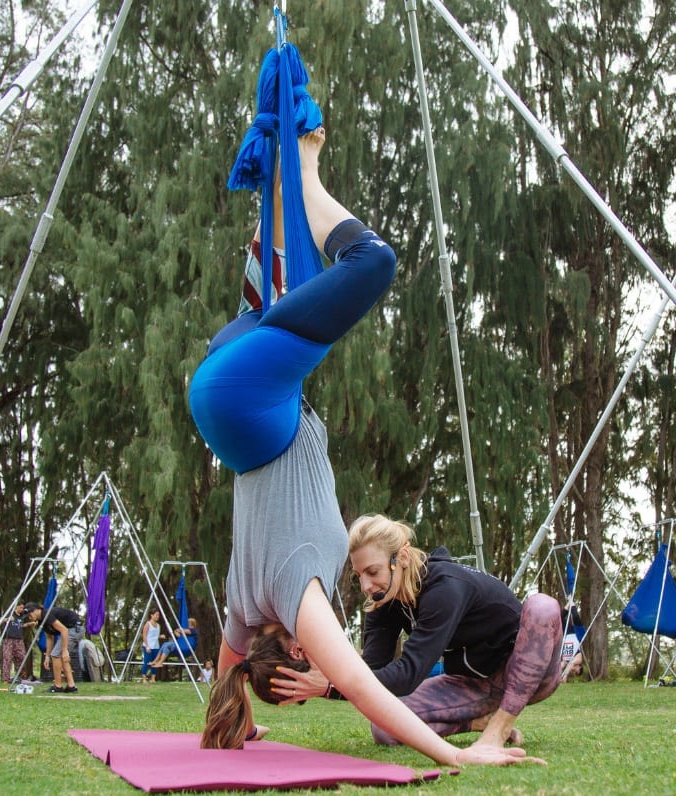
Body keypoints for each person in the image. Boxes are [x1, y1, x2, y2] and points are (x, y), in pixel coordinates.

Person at [192, 125, 530, 766]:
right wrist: (232, 726)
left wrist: (454, 757)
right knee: (282, 297)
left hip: (248, 401)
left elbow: (357, 683)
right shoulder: (242, 607)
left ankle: (303, 171)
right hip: (226, 401)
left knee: (371, 264)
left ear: (295, 652)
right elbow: (225, 672)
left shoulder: (298, 599)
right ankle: (275, 193)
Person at [273, 515, 563, 748]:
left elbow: (408, 675)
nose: (365, 586)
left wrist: (330, 685)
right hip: (476, 683)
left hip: (528, 674)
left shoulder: (444, 588)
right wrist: (319, 668)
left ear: (402, 558)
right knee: (385, 728)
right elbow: (369, 673)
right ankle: (481, 721)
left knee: (542, 606)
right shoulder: (383, 603)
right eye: (359, 575)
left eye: (372, 572)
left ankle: (499, 730)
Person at [21, 602, 79, 693]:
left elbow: (64, 630)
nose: (29, 617)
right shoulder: (42, 621)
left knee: (56, 654)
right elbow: (49, 637)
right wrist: (47, 656)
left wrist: (64, 650)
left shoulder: (46, 615)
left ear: (36, 610)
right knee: (60, 657)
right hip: (72, 629)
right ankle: (72, 686)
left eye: (30, 615)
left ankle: (58, 686)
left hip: (75, 628)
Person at [1, 604, 28, 683]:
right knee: (7, 658)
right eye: (20, 607)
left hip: (19, 640)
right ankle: (6, 679)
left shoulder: (21, 616)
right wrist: (7, 619)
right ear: (16, 607)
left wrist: (30, 624)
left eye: (23, 608)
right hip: (9, 639)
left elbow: (20, 625)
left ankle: (20, 676)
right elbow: (0, 620)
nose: (22, 609)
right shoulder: (10, 614)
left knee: (22, 657)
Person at [142, 608, 163, 681]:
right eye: (156, 615)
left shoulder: (158, 625)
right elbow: (144, 635)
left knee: (155, 662)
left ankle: (153, 678)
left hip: (156, 646)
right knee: (147, 662)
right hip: (148, 646)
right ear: (152, 615)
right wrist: (147, 646)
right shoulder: (148, 624)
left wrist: (160, 636)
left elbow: (155, 636)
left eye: (158, 615)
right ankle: (144, 678)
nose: (157, 616)